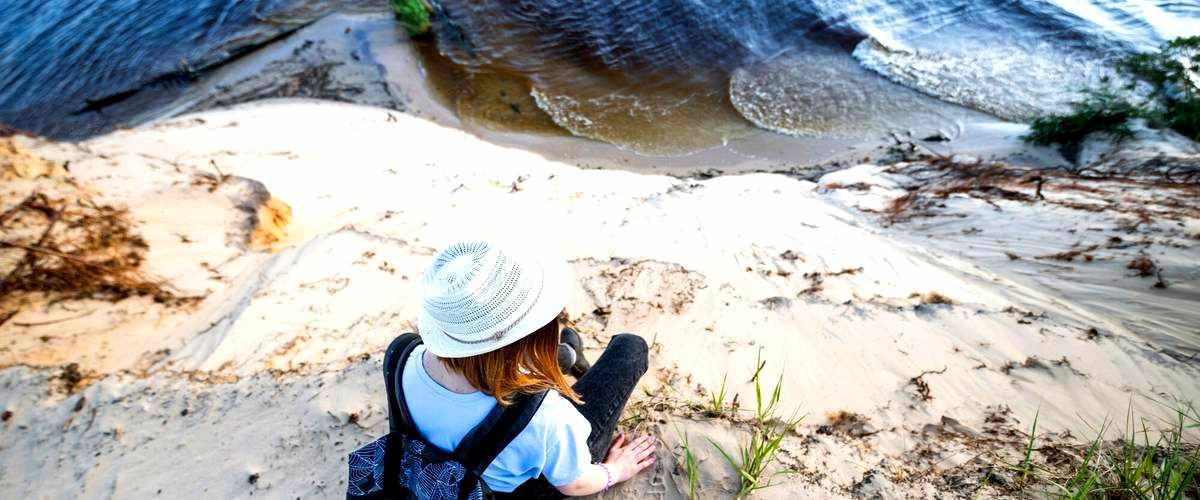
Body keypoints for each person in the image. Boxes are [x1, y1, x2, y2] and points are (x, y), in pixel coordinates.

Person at [402, 240, 655, 497]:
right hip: (519, 490)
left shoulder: (402, 356)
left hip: (435, 470)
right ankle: (562, 360)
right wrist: (616, 470)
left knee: (525, 373)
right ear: (533, 333)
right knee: (630, 348)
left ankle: (561, 359)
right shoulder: (546, 415)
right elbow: (575, 483)